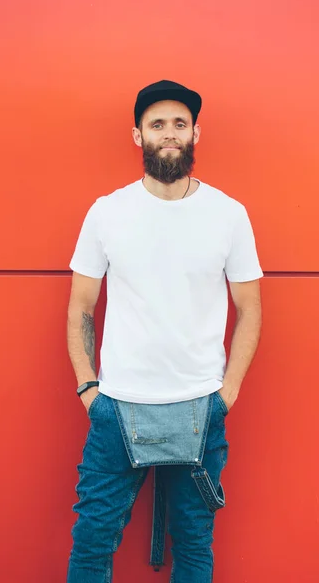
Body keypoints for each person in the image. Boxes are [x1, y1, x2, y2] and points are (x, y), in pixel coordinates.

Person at [66, 80, 263, 583]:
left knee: (193, 547)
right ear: (138, 136)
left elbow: (250, 307)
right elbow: (81, 309)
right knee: (92, 543)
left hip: (200, 405)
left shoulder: (228, 214)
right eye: (157, 124)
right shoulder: (107, 212)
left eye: (180, 123)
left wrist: (228, 391)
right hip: (116, 407)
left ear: (196, 131)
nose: (169, 133)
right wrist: (90, 388)